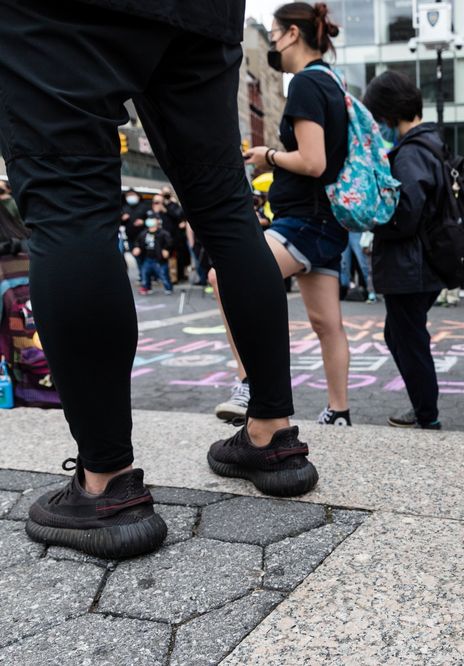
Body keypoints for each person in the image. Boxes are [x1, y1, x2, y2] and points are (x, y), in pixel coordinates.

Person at [0, 0, 315, 558]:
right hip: (201, 14)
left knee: (67, 199)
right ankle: (272, 434)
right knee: (227, 210)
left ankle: (106, 483)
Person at [213, 1, 352, 428]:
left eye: (274, 31)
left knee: (227, 275)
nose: (272, 39)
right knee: (327, 323)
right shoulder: (333, 81)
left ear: (292, 33)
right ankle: (339, 412)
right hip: (327, 220)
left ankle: (250, 381)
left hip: (306, 219)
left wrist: (268, 155)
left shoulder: (307, 84)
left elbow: (312, 161)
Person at [362, 70, 445, 430]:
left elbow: (405, 214)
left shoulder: (410, 153)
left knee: (409, 340)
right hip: (424, 262)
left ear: (389, 113)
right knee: (399, 335)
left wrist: (371, 218)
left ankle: (427, 414)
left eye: (379, 117)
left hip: (411, 265)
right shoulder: (431, 145)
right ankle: (423, 406)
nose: (378, 125)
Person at [132, 216, 173, 295]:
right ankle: (146, 287)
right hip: (147, 258)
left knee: (163, 274)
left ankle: (168, 288)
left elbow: (169, 242)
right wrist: (137, 247)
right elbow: (138, 241)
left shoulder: (163, 233)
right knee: (145, 273)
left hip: (159, 259)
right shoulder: (144, 233)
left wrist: (166, 249)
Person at [340, 231, 376, 303]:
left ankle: (372, 291)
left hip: (356, 231)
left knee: (364, 265)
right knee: (343, 265)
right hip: (343, 230)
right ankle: (344, 291)